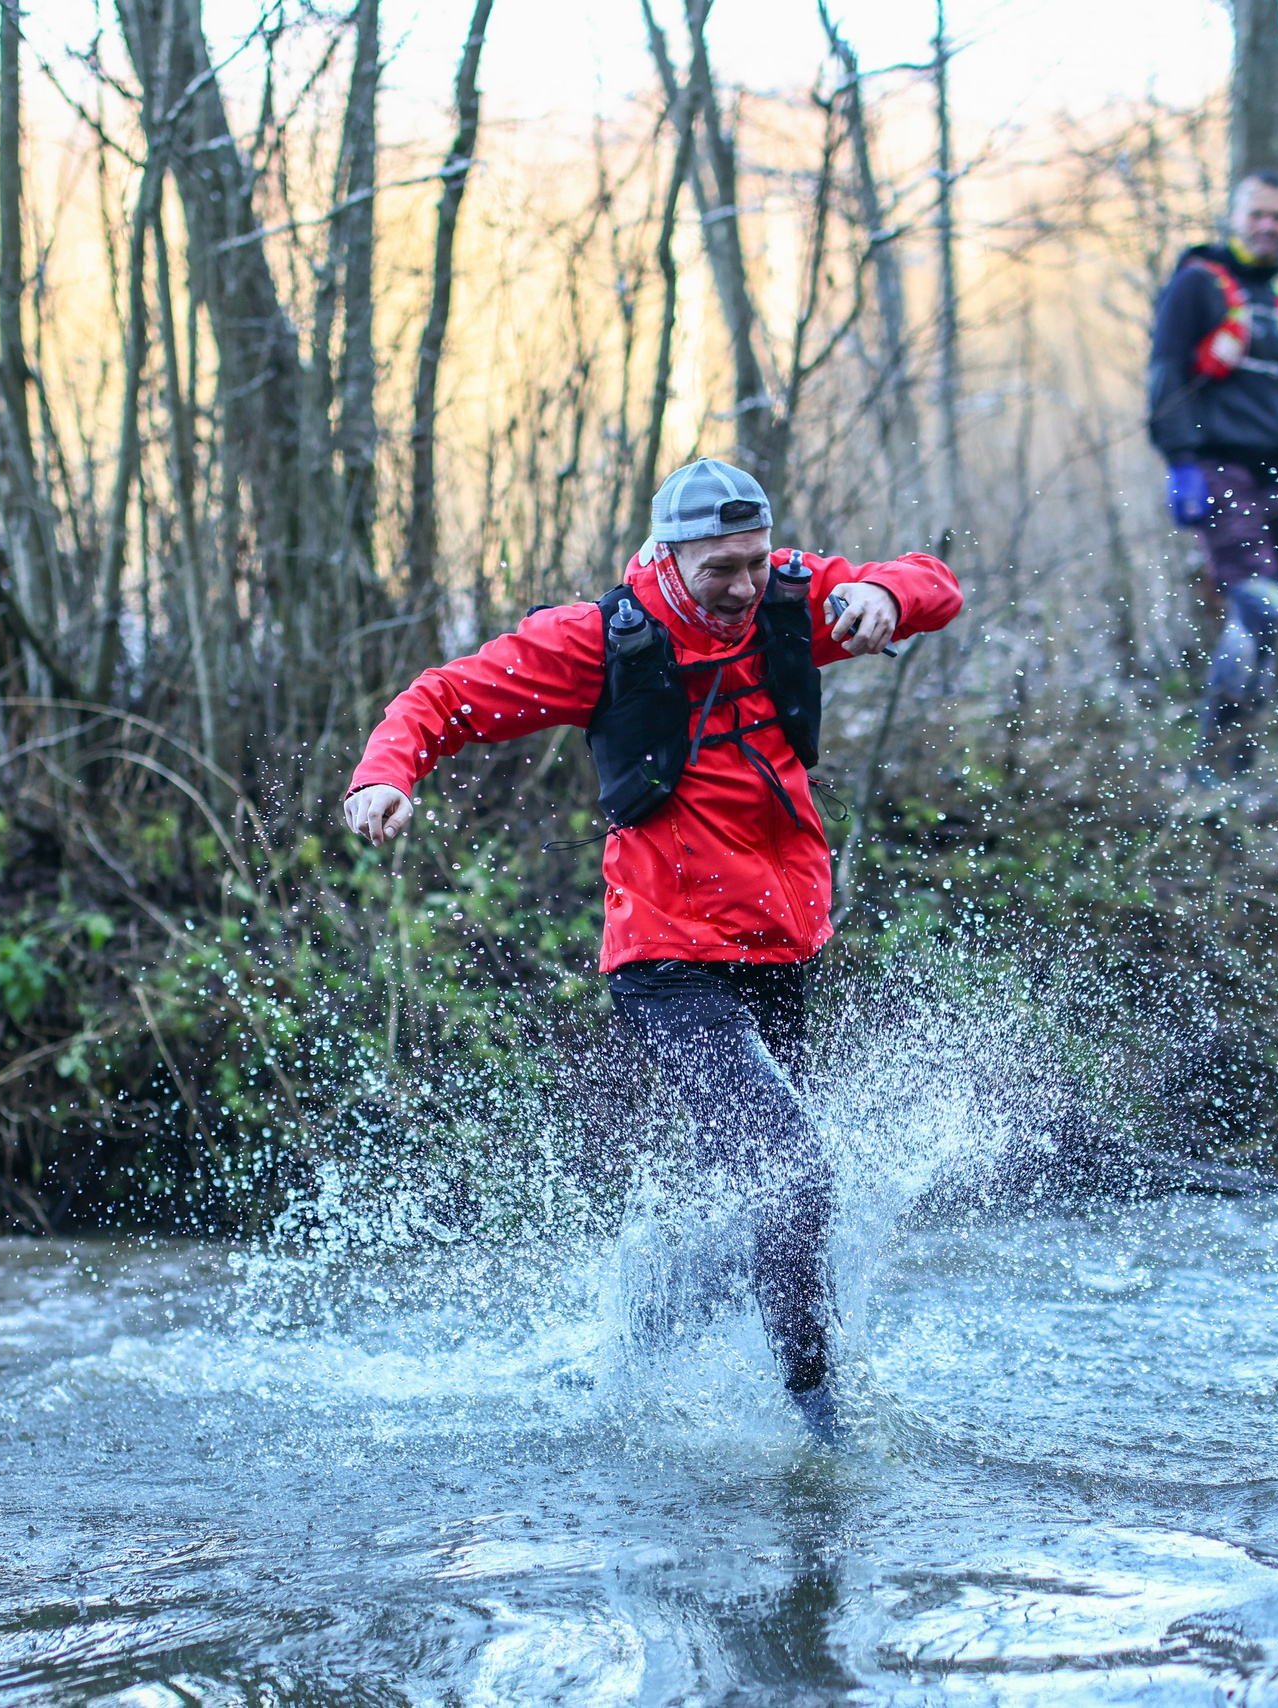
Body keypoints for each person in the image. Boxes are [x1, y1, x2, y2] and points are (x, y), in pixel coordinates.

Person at [343, 458, 963, 1440]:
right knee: (793, 1170)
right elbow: (444, 696)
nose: (742, 586)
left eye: (755, 562)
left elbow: (938, 584)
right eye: (720, 567)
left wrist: (882, 596)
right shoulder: (600, 641)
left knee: (762, 1202)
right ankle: (819, 1416)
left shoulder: (793, 600)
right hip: (666, 965)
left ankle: (646, 1327)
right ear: (668, 556)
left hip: (780, 951)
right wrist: (386, 777)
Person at [1147, 167, 1278, 778]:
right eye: (1258, 214)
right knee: (1259, 603)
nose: (1269, 226)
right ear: (1234, 216)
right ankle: (1212, 761)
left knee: (1274, 614)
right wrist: (1181, 464)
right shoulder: (1198, 285)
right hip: (1221, 466)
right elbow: (1166, 376)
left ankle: (1239, 759)